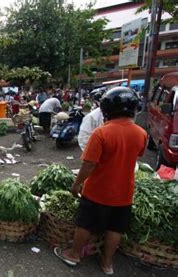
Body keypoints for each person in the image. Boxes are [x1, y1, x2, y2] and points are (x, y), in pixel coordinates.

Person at [53, 87, 146, 275]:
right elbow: (135, 156)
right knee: (115, 228)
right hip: (124, 192)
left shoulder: (101, 133)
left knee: (85, 223)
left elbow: (89, 165)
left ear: (107, 109)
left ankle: (73, 254)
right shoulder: (141, 133)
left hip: (98, 190)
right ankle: (107, 264)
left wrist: (77, 184)